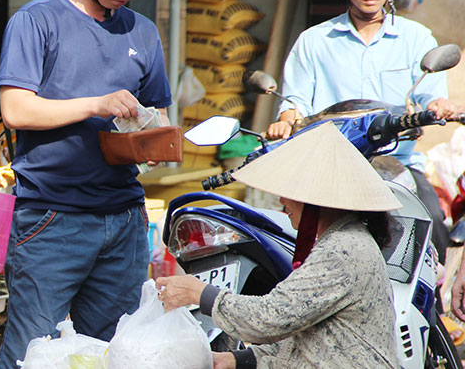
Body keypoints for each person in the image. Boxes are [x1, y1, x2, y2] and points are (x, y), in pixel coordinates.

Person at [0, 0, 171, 369]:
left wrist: (152, 141)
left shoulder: (143, 33)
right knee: (33, 353)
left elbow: (159, 114)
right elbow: (15, 110)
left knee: (117, 354)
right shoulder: (36, 21)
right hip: (52, 219)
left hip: (124, 220)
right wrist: (97, 104)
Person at [265, 0, 457, 262]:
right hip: (332, 164)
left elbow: (430, 97)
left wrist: (438, 106)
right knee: (293, 237)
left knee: (434, 226)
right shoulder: (314, 41)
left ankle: (430, 290)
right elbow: (296, 100)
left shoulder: (417, 39)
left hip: (397, 165)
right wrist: (286, 118)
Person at [157, 122, 401, 369]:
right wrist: (235, 360)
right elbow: (309, 339)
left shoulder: (343, 250)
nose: (283, 200)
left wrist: (200, 294)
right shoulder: (344, 240)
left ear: (315, 199)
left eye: (290, 191)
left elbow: (271, 317)